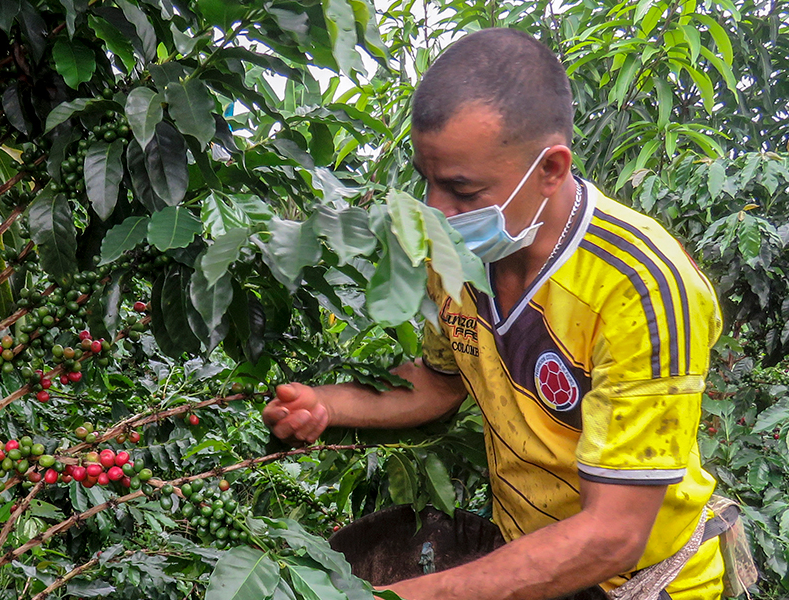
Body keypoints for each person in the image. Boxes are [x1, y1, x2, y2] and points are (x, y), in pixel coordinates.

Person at [263, 28, 728, 600]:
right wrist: (326, 404)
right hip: (529, 561)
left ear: (551, 169)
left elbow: (614, 532)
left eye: (462, 189)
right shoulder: (454, 256)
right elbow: (439, 383)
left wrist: (407, 596)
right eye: (428, 181)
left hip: (644, 583)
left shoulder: (642, 286)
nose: (436, 209)